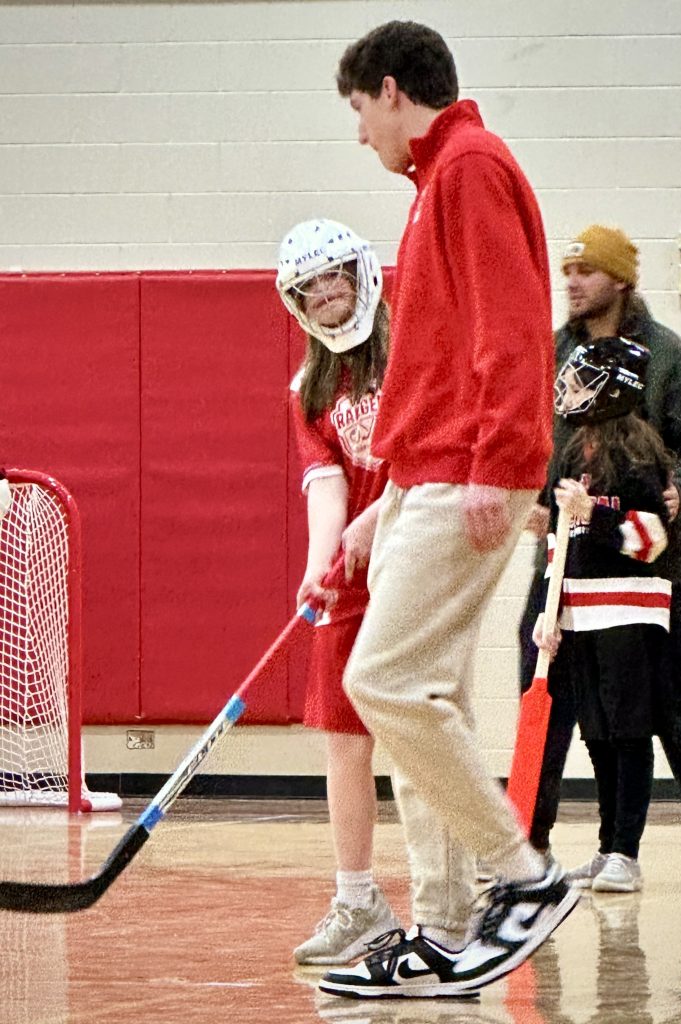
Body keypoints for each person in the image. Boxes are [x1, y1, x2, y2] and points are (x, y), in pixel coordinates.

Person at [319, 21, 579, 1001]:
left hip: (467, 470)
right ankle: (443, 926)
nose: (358, 135)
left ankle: (523, 877)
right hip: (423, 474)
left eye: (356, 110)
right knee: (424, 697)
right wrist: (374, 509)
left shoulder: (467, 167)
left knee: (380, 678)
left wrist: (495, 460)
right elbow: (434, 364)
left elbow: (512, 325)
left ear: (391, 89)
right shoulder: (437, 182)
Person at [518, 224, 681, 888]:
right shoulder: (554, 353)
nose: (570, 282)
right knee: (553, 697)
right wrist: (534, 506)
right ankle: (529, 844)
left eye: (585, 271)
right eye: (565, 270)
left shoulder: (667, 358)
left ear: (619, 279)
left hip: (654, 568)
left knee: (674, 702)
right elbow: (539, 444)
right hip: (569, 567)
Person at [276, 217, 401, 964]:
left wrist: (373, 523)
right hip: (353, 570)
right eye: (307, 286)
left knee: (421, 730)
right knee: (342, 739)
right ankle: (357, 900)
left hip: (417, 548)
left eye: (333, 276)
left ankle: (463, 890)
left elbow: (427, 458)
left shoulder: (411, 347)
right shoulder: (307, 387)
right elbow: (325, 485)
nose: (324, 293)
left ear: (359, 274)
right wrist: (320, 561)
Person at [536, 336, 674, 893]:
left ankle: (628, 852)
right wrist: (551, 613)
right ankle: (606, 846)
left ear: (612, 390)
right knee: (594, 733)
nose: (568, 390)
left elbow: (651, 540)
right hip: (580, 616)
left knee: (628, 732)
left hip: (629, 613)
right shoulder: (570, 453)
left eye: (580, 380)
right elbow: (558, 539)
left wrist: (590, 514)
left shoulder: (642, 458)